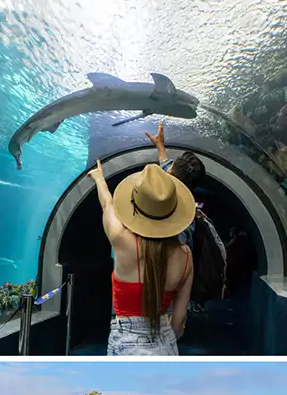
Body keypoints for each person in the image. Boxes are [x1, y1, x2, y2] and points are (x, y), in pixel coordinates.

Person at [88, 160, 195, 356]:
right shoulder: (185, 256)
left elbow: (107, 204)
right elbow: (179, 320)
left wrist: (98, 177)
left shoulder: (121, 238)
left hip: (126, 343)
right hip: (166, 343)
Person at [145, 122, 206, 250]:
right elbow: (165, 163)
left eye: (169, 170)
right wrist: (160, 145)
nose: (166, 170)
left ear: (171, 175)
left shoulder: (183, 226)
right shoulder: (181, 180)